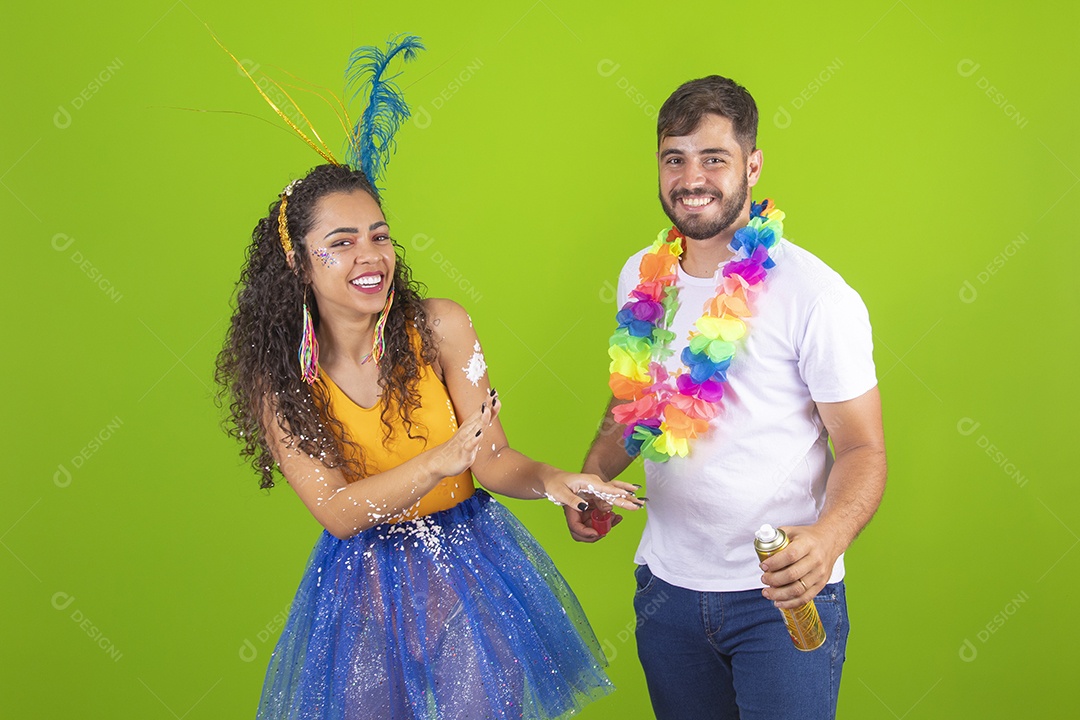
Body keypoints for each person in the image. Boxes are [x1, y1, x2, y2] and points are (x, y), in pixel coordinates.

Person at [215, 161, 643, 719]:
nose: (370, 255)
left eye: (380, 236)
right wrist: (439, 461)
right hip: (363, 583)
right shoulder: (284, 382)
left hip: (469, 565)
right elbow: (341, 513)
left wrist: (554, 481)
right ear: (298, 262)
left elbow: (490, 458)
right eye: (341, 243)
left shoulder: (440, 327)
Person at [565, 75, 887, 719]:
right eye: (674, 158)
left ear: (753, 164)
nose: (692, 178)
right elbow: (636, 399)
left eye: (714, 158)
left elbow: (862, 446)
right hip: (667, 591)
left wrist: (828, 539)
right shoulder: (641, 274)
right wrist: (594, 477)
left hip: (780, 597)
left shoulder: (815, 294)